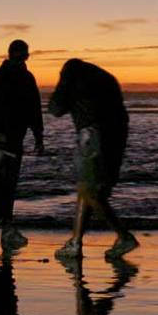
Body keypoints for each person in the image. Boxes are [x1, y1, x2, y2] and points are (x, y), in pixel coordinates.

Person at [47, 58, 138, 261]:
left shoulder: (72, 76)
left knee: (90, 192)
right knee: (88, 189)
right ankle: (75, 243)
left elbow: (55, 109)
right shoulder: (106, 79)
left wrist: (60, 89)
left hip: (91, 136)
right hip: (116, 135)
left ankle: (124, 236)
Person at [0, 40, 45, 250]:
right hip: (8, 139)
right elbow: (33, 109)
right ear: (23, 56)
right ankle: (0, 229)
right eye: (21, 55)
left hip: (5, 138)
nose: (21, 58)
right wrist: (38, 136)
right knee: (3, 185)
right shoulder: (21, 77)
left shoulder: (0, 76)